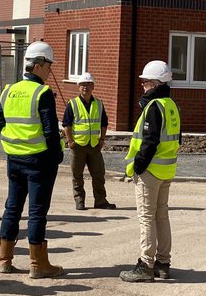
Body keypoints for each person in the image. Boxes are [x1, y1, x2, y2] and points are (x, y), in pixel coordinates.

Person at [0, 41, 65, 278]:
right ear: (38, 65)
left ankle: (4, 259)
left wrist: (9, 140)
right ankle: (38, 264)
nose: (50, 71)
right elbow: (50, 131)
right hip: (39, 162)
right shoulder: (42, 92)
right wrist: (56, 155)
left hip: (15, 159)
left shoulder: (9, 90)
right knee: (36, 211)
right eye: (49, 66)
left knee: (12, 208)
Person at [121, 60, 181, 283]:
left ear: (155, 84)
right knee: (161, 217)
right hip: (166, 170)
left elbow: (149, 143)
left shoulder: (154, 107)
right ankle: (163, 263)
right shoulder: (171, 106)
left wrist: (137, 167)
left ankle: (146, 265)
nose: (143, 86)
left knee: (147, 218)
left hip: (150, 171)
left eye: (145, 82)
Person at [61, 72, 116, 211]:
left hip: (94, 145)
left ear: (93, 87)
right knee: (77, 175)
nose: (85, 87)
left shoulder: (99, 103)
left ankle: (100, 200)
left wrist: (102, 139)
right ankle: (80, 201)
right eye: (83, 85)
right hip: (78, 145)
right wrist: (70, 141)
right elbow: (66, 124)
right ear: (79, 87)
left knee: (99, 174)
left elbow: (104, 123)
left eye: (88, 84)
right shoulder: (72, 104)